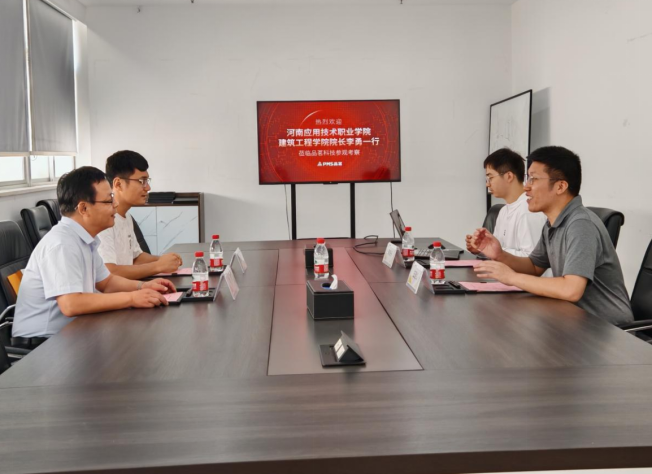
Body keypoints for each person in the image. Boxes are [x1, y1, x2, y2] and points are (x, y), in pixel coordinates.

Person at [469, 146, 633, 326]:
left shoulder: (581, 224)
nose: (526, 187)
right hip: (573, 318)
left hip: (608, 329)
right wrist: (500, 255)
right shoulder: (552, 224)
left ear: (560, 186)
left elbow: (571, 289)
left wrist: (511, 277)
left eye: (534, 179)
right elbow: (534, 267)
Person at [12, 166, 176, 343]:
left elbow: (107, 282)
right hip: (42, 344)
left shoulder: (84, 239)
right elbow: (71, 304)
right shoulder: (61, 244)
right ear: (83, 208)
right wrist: (131, 298)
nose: (115, 204)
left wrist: (142, 287)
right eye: (108, 200)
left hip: (73, 332)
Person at [98, 150, 182, 279]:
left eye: (147, 181)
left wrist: (163, 260)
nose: (148, 188)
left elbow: (136, 258)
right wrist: (158, 266)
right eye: (142, 181)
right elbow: (109, 272)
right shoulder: (104, 221)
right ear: (118, 184)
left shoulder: (127, 217)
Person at [466, 148, 546, 257]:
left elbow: (532, 258)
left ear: (509, 176)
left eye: (491, 178)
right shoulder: (503, 211)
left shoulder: (528, 210)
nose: (487, 184)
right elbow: (497, 249)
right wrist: (481, 248)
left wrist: (491, 249)